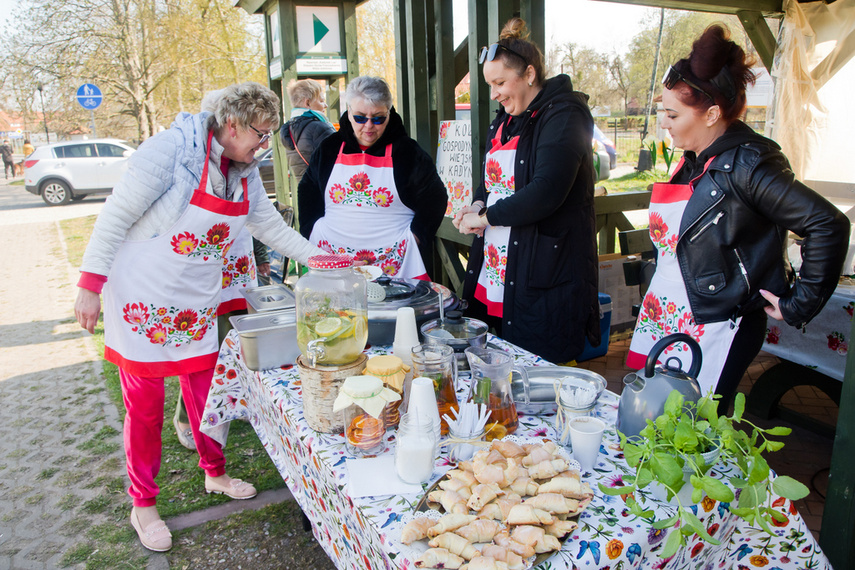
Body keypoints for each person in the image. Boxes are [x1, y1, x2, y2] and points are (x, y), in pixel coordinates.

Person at [73, 81, 323, 552]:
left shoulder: (244, 168)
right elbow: (115, 217)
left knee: (206, 394)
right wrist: (90, 285)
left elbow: (267, 225)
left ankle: (215, 473)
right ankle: (142, 504)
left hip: (193, 299)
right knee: (144, 410)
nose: (264, 145)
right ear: (232, 124)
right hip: (142, 296)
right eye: (261, 134)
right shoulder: (168, 150)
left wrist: (318, 258)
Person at [625, 25, 849, 412]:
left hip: (717, 324)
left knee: (690, 433)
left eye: (672, 114)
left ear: (711, 113)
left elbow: (827, 224)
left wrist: (799, 304)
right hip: (668, 313)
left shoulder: (749, 164)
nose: (664, 122)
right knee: (650, 419)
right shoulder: (695, 160)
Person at [453, 18, 600, 364]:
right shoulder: (504, 120)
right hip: (497, 268)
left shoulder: (565, 116)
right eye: (490, 85)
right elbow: (490, 182)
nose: (495, 94)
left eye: (500, 82)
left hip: (543, 275)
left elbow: (547, 190)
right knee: (493, 367)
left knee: (542, 372)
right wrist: (476, 204)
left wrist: (486, 217)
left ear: (530, 74)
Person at [298, 76, 446, 279]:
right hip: (334, 258)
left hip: (395, 262)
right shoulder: (329, 148)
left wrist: (416, 237)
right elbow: (308, 190)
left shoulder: (407, 151)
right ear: (348, 112)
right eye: (360, 117)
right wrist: (311, 230)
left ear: (389, 113)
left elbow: (435, 198)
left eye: (378, 118)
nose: (368, 126)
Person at [281, 78, 336, 184]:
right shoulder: (319, 127)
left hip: (306, 191)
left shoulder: (289, 129)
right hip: (328, 191)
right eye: (321, 100)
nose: (325, 105)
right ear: (308, 103)